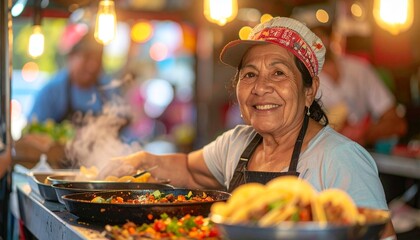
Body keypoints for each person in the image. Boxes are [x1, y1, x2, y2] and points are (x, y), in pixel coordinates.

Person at [100, 17, 395, 238]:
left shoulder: (341, 159)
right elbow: (190, 169)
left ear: (309, 90)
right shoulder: (237, 143)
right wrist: (140, 161)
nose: (261, 87)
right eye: (250, 74)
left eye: (278, 73)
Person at [311, 24, 407, 148]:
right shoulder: (300, 78)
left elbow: (397, 123)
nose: (317, 42)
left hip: (361, 153)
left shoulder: (359, 69)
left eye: (321, 35)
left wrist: (364, 133)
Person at [28, 26, 116, 125]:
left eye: (98, 60)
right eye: (87, 58)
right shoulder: (51, 92)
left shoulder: (109, 90)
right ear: (71, 57)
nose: (92, 66)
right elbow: (33, 130)